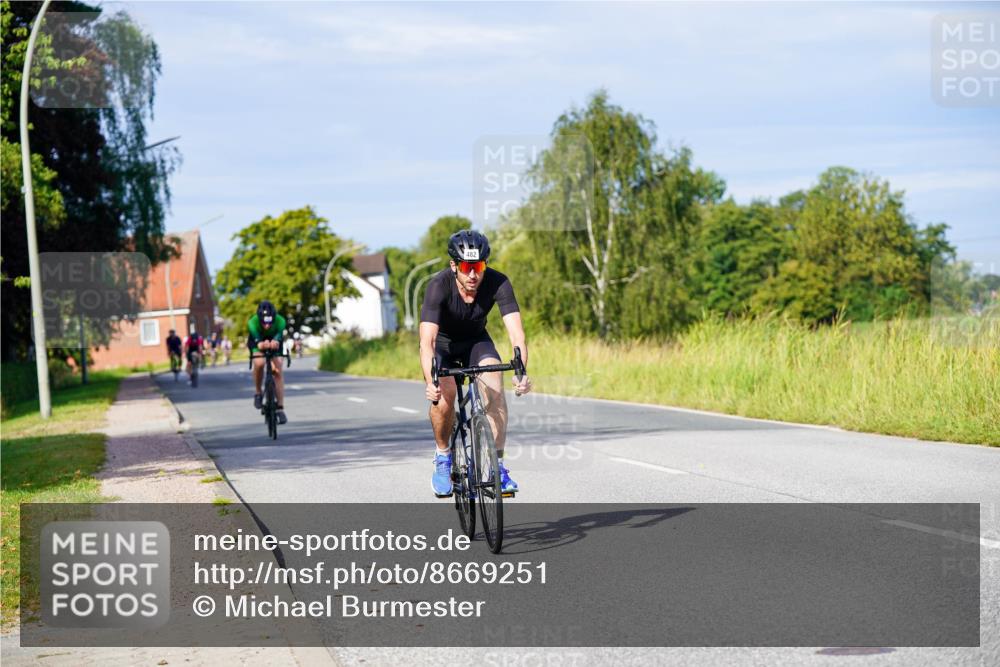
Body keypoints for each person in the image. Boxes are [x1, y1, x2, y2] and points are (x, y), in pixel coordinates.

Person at [419, 229, 532, 497]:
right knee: (444, 396)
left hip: (476, 342)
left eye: (478, 266)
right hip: (443, 345)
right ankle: (443, 456)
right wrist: (430, 380)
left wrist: (521, 371)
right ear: (454, 265)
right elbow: (427, 343)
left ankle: (497, 467)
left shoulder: (498, 283)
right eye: (467, 267)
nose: (473, 275)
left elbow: (517, 334)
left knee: (494, 387)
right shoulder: (438, 286)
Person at [248, 300, 288, 424]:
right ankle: (258, 392)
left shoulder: (281, 321)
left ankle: (280, 408)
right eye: (264, 322)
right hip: (258, 340)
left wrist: (275, 341)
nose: (267, 325)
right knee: (259, 363)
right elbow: (258, 343)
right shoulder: (252, 322)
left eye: (270, 322)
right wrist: (261, 344)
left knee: (277, 370)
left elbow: (279, 337)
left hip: (274, 341)